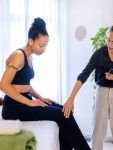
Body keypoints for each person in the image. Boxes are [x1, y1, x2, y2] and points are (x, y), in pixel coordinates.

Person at [0, 17, 91, 150]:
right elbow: (3, 85)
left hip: (23, 101)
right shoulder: (18, 56)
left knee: (64, 110)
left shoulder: (29, 57)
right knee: (62, 115)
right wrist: (29, 102)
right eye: (41, 45)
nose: (44, 49)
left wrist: (40, 98)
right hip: (14, 108)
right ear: (31, 41)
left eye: (46, 45)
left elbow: (25, 85)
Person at [63, 18, 113, 150]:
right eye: (108, 40)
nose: (109, 45)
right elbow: (83, 75)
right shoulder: (99, 53)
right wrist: (71, 99)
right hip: (101, 93)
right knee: (97, 134)